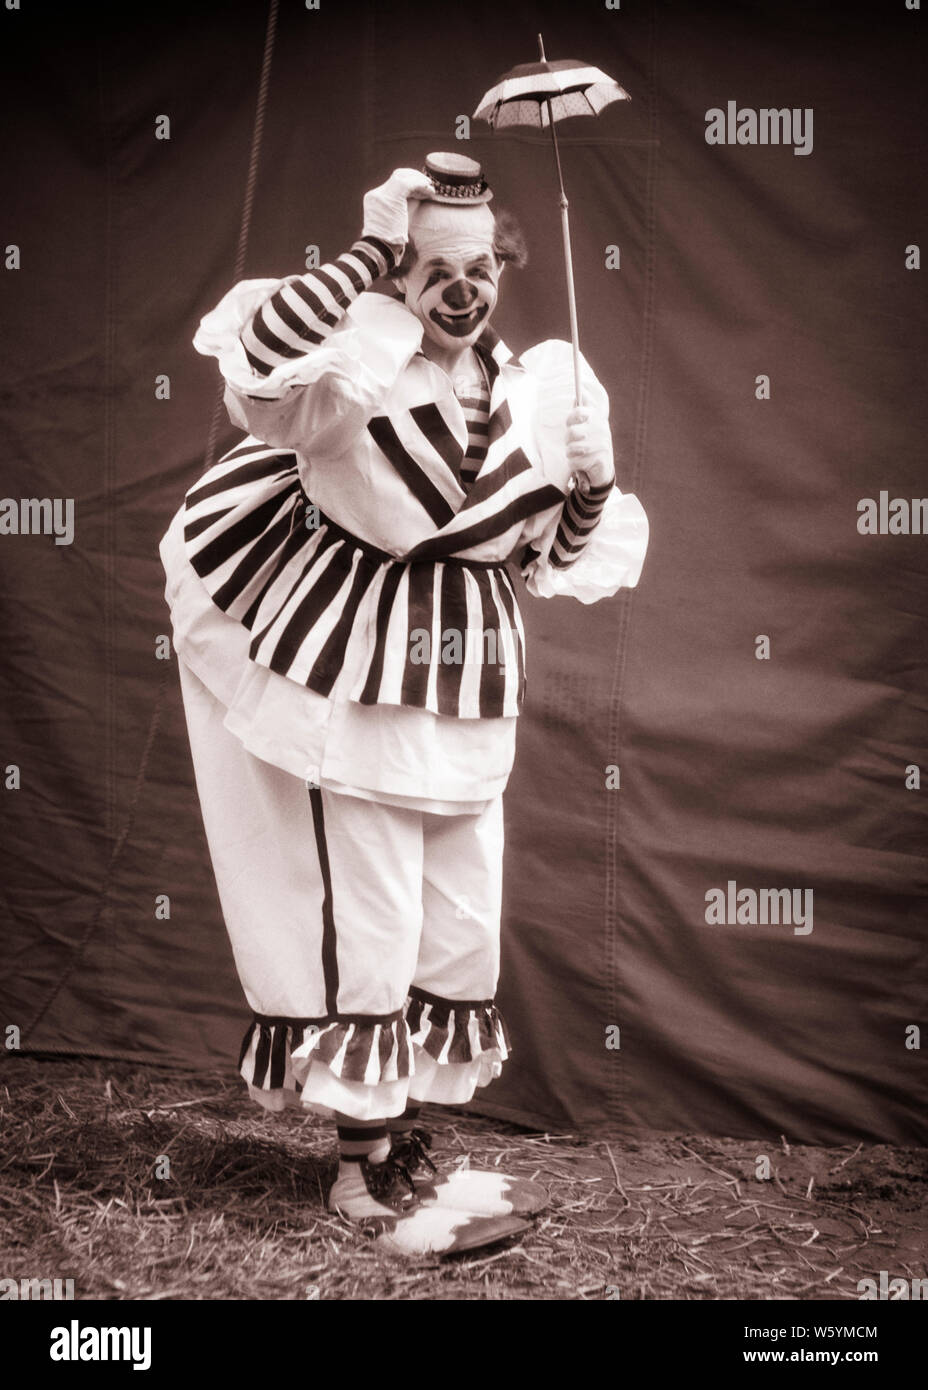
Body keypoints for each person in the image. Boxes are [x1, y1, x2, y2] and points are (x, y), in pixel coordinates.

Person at [160, 152, 649, 1256]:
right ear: (402, 279)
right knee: (370, 920)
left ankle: (404, 1145)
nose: (460, 291)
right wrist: (371, 253)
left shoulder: (547, 387)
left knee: (458, 924)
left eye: (476, 267)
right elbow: (262, 365)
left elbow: (551, 561)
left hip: (473, 684)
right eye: (432, 270)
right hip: (361, 682)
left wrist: (592, 485)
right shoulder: (348, 380)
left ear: (505, 268)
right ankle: (352, 1173)